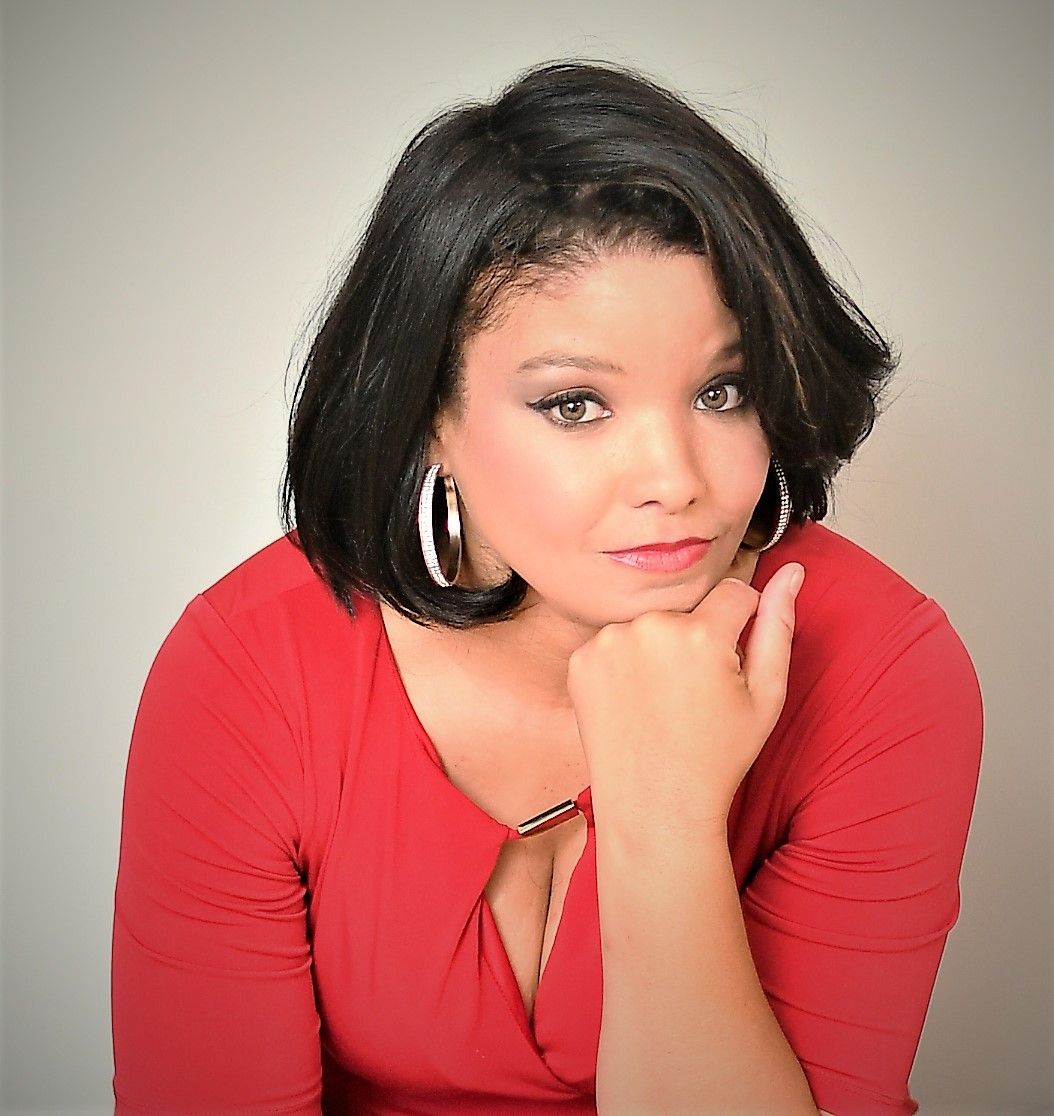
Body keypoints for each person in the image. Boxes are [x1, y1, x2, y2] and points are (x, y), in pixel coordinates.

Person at [110, 61, 982, 1116]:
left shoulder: (877, 671)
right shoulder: (252, 669)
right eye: (574, 405)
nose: (675, 480)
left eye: (722, 390)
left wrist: (664, 818)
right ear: (427, 415)